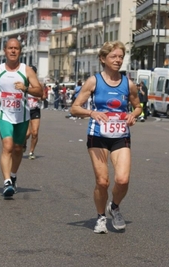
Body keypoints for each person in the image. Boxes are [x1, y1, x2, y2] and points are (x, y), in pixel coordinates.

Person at [70, 41, 142, 234]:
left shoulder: (128, 83)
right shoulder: (94, 81)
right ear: (103, 59)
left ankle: (115, 207)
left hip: (121, 135)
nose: (118, 60)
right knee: (103, 182)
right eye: (114, 57)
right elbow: (74, 108)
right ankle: (101, 217)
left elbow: (138, 106)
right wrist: (92, 113)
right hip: (98, 135)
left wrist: (133, 115)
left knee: (123, 179)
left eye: (120, 57)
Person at [0, 38, 43, 198]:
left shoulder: (27, 71)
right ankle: (6, 182)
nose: (13, 51)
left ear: (20, 51)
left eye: (16, 48)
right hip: (4, 113)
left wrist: (26, 88)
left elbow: (40, 92)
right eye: (10, 48)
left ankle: (13, 175)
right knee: (8, 145)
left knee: (18, 148)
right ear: (4, 50)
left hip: (22, 114)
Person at [21, 65, 44, 159]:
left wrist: (41, 97)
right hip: (24, 109)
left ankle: (31, 152)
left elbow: (44, 96)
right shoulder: (23, 84)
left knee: (35, 133)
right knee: (27, 134)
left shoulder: (39, 85)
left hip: (35, 110)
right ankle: (23, 143)